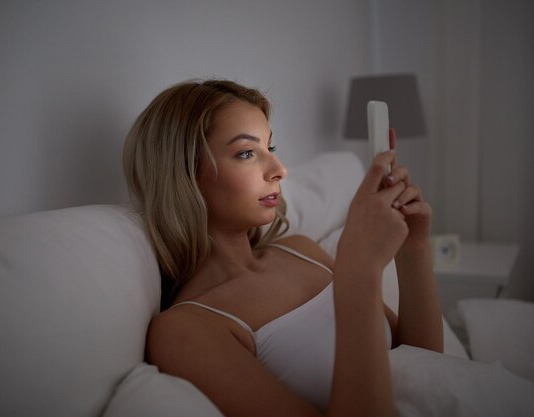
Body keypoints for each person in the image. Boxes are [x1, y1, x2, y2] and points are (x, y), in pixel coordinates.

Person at [123, 79, 443, 416]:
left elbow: (421, 367)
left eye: (270, 149)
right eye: (246, 153)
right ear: (185, 175)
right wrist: (359, 273)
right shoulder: (183, 330)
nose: (279, 170)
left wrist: (414, 248)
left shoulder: (302, 250)